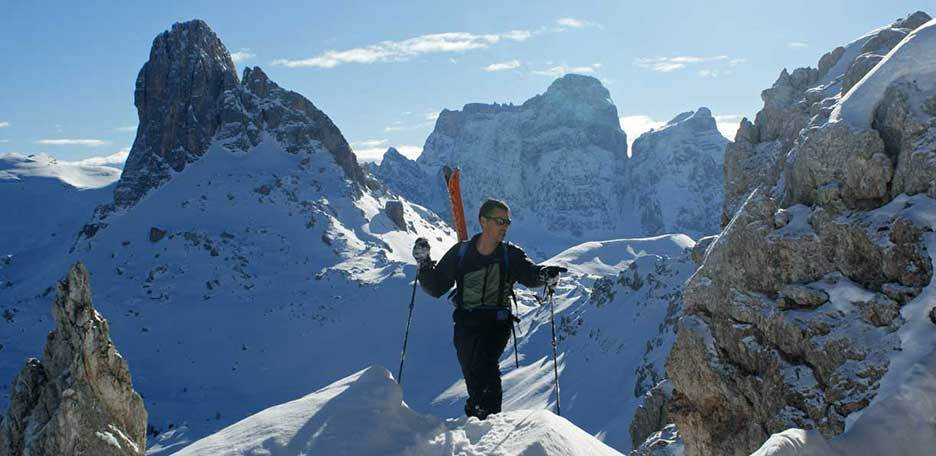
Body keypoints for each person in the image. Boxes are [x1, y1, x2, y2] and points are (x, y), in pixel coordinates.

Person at [412, 198, 566, 420]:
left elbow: (528, 273)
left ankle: (487, 420)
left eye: (507, 222)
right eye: (499, 220)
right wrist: (424, 265)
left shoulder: (509, 254)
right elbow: (436, 287)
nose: (504, 226)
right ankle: (476, 420)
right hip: (466, 325)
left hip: (497, 324)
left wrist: (544, 275)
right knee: (474, 377)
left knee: (486, 370)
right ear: (483, 221)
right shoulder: (461, 253)